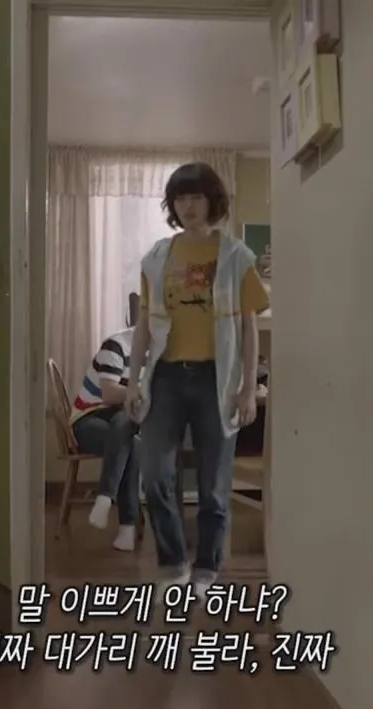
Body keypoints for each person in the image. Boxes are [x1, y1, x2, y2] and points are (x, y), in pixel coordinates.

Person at [125, 162, 269, 595]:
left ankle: (207, 565)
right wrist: (133, 381)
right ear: (172, 205)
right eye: (180, 198)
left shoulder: (237, 257)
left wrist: (247, 388)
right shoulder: (156, 258)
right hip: (165, 377)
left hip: (215, 379)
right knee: (155, 475)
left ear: (212, 202)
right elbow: (144, 327)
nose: (188, 206)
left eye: (196, 197)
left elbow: (248, 330)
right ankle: (172, 562)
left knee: (213, 484)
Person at [70, 327, 141, 551]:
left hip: (125, 418)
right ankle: (127, 528)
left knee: (126, 431)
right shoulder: (116, 345)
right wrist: (144, 390)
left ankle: (105, 499)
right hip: (89, 416)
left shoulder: (163, 352)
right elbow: (109, 393)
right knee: (129, 443)